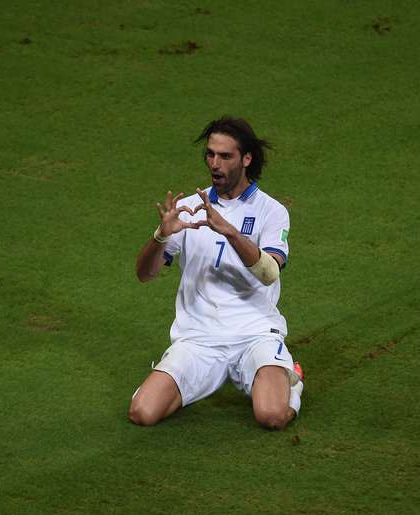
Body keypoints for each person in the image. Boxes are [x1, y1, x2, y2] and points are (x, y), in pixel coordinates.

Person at [129, 116, 303, 430]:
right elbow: (144, 274)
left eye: (225, 156)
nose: (215, 163)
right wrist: (160, 236)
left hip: (254, 335)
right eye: (210, 154)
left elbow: (269, 273)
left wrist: (231, 232)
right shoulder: (191, 207)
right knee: (142, 412)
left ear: (247, 159)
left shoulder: (272, 211)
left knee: (272, 416)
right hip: (198, 339)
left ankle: (293, 381)